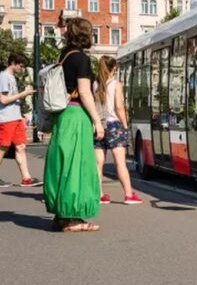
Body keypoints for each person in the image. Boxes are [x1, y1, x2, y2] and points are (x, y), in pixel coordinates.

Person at [43, 18, 105, 232]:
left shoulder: (64, 56)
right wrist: (97, 120)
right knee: (77, 165)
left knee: (62, 162)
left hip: (62, 115)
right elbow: (85, 92)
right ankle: (74, 219)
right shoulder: (82, 59)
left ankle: (61, 215)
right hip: (77, 114)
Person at [94, 56, 142, 205]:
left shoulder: (95, 84)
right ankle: (128, 194)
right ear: (113, 68)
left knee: (98, 163)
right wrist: (125, 125)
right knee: (120, 163)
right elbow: (119, 107)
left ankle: (99, 194)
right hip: (114, 125)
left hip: (98, 126)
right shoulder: (115, 84)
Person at [0, 53, 42, 188]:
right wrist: (23, 94)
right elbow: (4, 100)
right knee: (3, 147)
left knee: (21, 147)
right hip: (6, 118)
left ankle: (26, 178)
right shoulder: (4, 77)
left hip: (15, 117)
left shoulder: (11, 77)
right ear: (13, 63)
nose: (22, 69)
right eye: (21, 66)